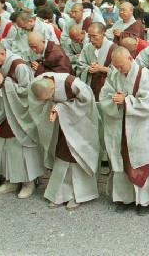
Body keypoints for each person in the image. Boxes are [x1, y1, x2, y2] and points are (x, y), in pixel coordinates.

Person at [100, 47, 149, 214]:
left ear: (130, 58)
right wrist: (114, 99)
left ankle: (145, 201)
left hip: (143, 127)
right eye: (115, 66)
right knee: (121, 160)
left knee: (144, 162)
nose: (119, 69)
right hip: (121, 125)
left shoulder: (145, 76)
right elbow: (105, 95)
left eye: (121, 66)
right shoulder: (114, 74)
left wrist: (127, 101)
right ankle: (126, 199)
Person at [29, 73, 99, 210]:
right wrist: (53, 108)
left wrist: (62, 108)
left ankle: (78, 195)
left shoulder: (74, 85)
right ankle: (59, 195)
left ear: (53, 90)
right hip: (62, 126)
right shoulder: (41, 82)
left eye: (49, 97)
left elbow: (87, 104)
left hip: (80, 126)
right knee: (61, 156)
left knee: (76, 157)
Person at [0, 41, 41, 199]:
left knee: (21, 147)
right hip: (5, 111)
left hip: (20, 113)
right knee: (7, 147)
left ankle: (29, 182)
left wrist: (4, 83)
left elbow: (29, 91)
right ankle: (12, 181)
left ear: (2, 54)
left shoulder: (19, 66)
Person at [77, 22, 116, 97]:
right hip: (90, 86)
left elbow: (119, 72)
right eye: (89, 36)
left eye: (94, 36)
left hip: (107, 89)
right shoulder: (87, 48)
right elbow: (80, 65)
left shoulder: (113, 49)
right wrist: (88, 68)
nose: (91, 40)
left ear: (103, 34)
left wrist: (101, 69)